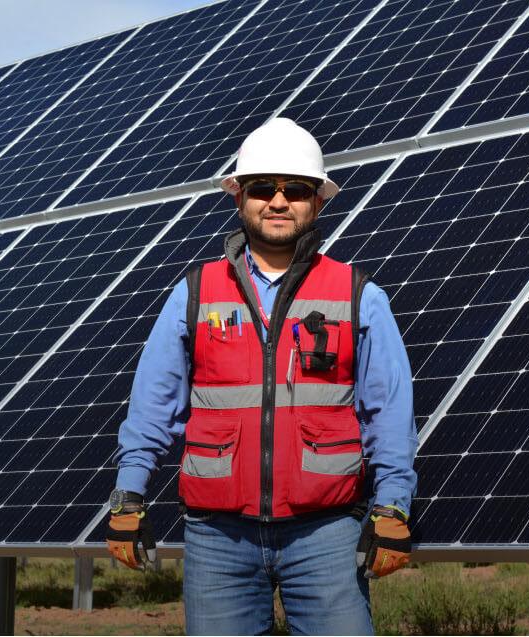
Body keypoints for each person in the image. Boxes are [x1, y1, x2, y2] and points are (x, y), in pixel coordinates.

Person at [105, 118, 417, 635]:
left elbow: (390, 412)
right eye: (262, 188)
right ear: (238, 198)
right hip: (216, 538)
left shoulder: (359, 294)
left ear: (317, 201)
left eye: (295, 188)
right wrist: (129, 494)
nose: (278, 201)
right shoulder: (195, 292)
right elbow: (153, 403)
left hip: (327, 533)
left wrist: (393, 506)